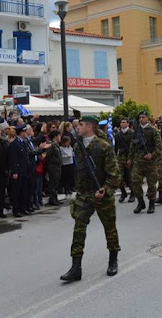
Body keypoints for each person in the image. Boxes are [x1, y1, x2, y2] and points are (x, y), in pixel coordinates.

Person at [60, 115, 121, 282]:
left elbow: (115, 175)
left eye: (80, 125)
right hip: (84, 195)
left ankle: (113, 260)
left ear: (89, 127)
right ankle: (76, 267)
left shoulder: (103, 147)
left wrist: (105, 189)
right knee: (78, 229)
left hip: (102, 194)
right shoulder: (78, 146)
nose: (76, 127)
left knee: (110, 228)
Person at [128, 111, 162, 214]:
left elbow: (159, 146)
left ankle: (151, 203)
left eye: (143, 117)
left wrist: (152, 154)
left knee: (151, 184)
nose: (141, 119)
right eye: (140, 117)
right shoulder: (136, 132)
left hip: (150, 162)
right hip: (138, 161)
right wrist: (130, 158)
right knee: (135, 182)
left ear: (147, 118)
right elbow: (132, 146)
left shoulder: (153, 131)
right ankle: (141, 202)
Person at [8, 124, 29, 217]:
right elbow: (13, 159)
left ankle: (23, 208)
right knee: (16, 191)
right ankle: (16, 210)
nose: (25, 133)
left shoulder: (23, 142)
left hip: (24, 169)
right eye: (24, 131)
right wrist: (15, 171)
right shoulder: (14, 144)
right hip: (18, 170)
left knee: (24, 190)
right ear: (21, 132)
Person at [114, 118, 135, 203]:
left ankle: (133, 193)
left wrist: (131, 158)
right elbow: (116, 148)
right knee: (118, 176)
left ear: (127, 124)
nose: (122, 124)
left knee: (130, 176)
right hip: (121, 157)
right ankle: (123, 192)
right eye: (121, 122)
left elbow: (134, 147)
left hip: (129, 157)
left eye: (124, 122)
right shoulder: (118, 135)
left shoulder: (132, 133)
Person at [44, 130, 63, 206]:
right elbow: (48, 156)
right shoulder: (51, 144)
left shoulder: (56, 144)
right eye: (59, 136)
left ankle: (55, 198)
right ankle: (52, 199)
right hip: (53, 167)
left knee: (56, 183)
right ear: (55, 136)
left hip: (57, 167)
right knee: (52, 183)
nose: (60, 138)